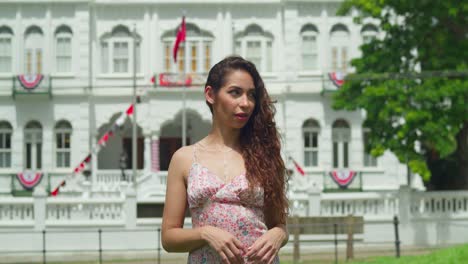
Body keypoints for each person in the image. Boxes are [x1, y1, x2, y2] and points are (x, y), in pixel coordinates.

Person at [162, 56, 289, 264]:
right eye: (235, 92)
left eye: (251, 95)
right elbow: (168, 238)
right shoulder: (184, 158)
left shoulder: (265, 155)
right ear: (211, 95)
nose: (246, 103)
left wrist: (279, 235)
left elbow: (279, 224)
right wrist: (206, 233)